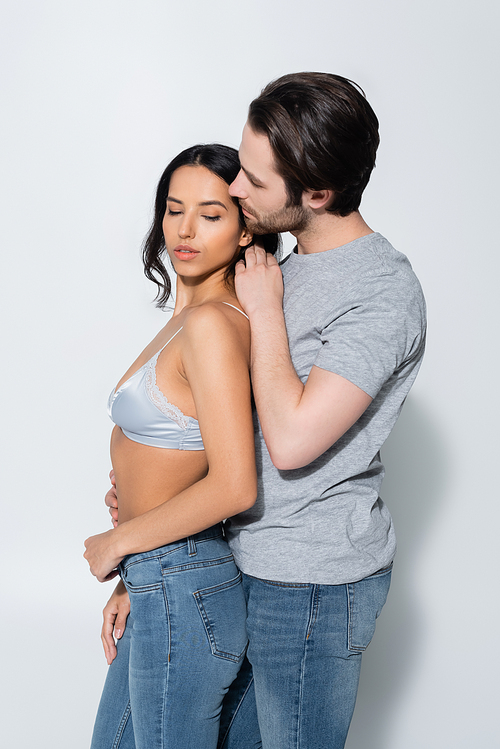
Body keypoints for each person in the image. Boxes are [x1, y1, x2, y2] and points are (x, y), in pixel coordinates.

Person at [103, 73, 426, 749]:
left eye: (253, 177)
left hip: (311, 587)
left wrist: (267, 313)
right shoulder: (281, 264)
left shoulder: (381, 291)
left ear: (317, 192)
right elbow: (213, 436)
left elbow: (290, 440)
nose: (238, 191)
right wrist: (147, 548)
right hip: (233, 562)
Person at [84, 143, 279, 748]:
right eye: (174, 210)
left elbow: (233, 484)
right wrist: (129, 582)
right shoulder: (187, 318)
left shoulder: (213, 324)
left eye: (212, 214)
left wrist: (118, 543)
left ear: (247, 229)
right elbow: (178, 476)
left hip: (182, 583)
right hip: (159, 580)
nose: (185, 230)